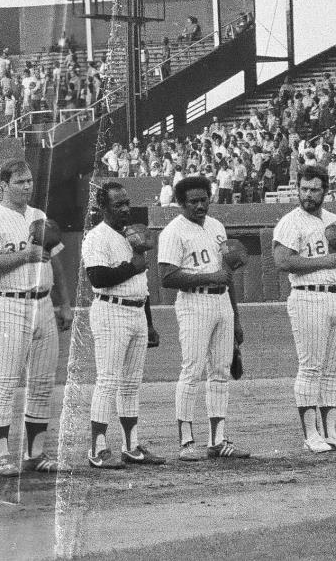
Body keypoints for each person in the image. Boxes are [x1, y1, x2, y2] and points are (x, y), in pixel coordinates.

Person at [0, 159, 72, 475]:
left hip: (42, 303)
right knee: (5, 381)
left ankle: (36, 453)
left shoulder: (38, 216)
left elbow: (54, 262)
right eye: (20, 182)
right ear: (2, 185)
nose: (27, 186)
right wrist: (24, 256)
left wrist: (65, 303)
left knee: (42, 383)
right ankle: (2, 456)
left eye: (29, 180)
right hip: (7, 304)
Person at [271, 165, 336, 453]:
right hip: (308, 296)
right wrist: (323, 261)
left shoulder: (335, 220)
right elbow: (282, 261)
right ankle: (311, 434)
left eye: (314, 189)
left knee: (333, 369)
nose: (308, 194)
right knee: (311, 366)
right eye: (304, 189)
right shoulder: (290, 222)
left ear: (325, 190)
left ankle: (331, 431)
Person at [158, 174, 248, 460]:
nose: (200, 205)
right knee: (192, 370)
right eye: (193, 201)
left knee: (220, 371)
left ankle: (218, 440)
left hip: (221, 300)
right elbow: (167, 277)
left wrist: (236, 317)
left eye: (204, 199)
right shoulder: (173, 231)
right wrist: (212, 275)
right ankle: (186, 442)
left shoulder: (217, 226)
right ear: (181, 203)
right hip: (194, 302)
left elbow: (228, 274)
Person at [82, 182, 165, 469]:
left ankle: (131, 446)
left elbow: (142, 287)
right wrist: (135, 263)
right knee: (107, 380)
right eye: (118, 205)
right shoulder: (97, 237)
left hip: (136, 311)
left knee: (131, 384)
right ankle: (98, 448)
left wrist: (150, 323)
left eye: (127, 203)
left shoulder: (132, 235)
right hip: (110, 309)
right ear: (103, 208)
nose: (125, 209)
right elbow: (97, 277)